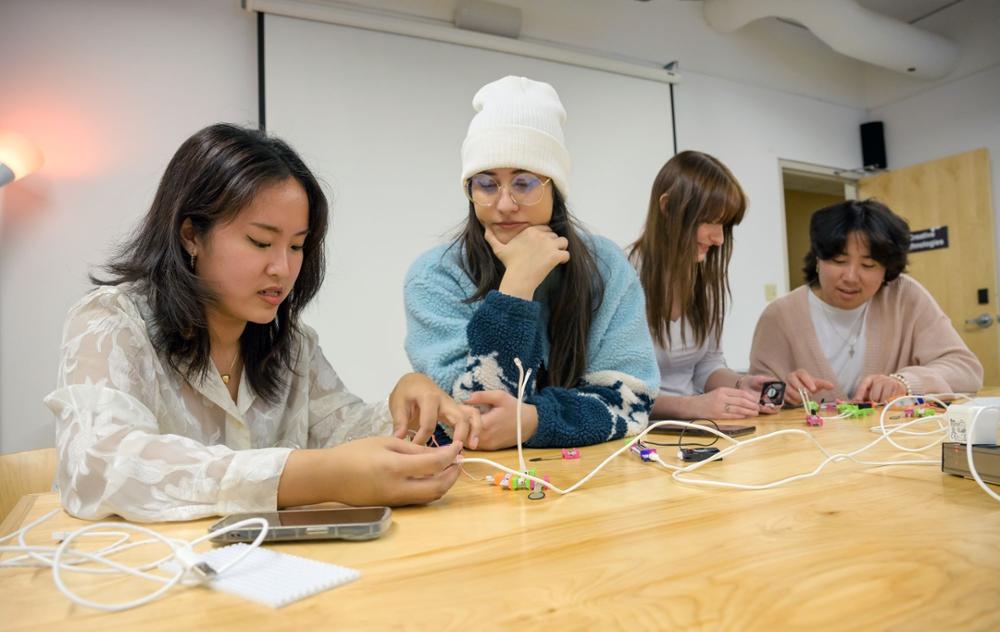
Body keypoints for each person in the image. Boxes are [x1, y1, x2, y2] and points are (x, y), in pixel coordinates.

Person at [44, 123, 481, 523]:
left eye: (296, 246)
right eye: (260, 242)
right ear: (191, 235)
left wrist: (401, 407)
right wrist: (311, 476)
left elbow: (340, 429)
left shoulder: (291, 344)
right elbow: (99, 465)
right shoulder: (111, 322)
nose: (282, 269)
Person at [404, 75, 658, 450]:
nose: (504, 204)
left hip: (591, 478)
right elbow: (475, 417)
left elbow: (632, 404)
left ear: (555, 188)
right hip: (474, 487)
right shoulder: (435, 277)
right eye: (486, 184)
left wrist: (537, 420)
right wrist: (515, 290)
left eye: (524, 183)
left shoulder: (605, 267)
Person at [749, 199, 983, 404]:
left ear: (887, 270)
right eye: (839, 261)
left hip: (894, 446)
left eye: (868, 265)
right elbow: (756, 395)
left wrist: (906, 382)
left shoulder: (905, 297)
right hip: (810, 450)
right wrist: (781, 393)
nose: (851, 277)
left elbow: (967, 371)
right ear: (818, 259)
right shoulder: (779, 316)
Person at [628, 151, 778, 421]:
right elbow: (612, 390)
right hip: (634, 434)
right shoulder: (623, 278)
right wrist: (690, 406)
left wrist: (740, 385)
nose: (719, 238)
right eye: (709, 220)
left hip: (696, 427)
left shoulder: (705, 284)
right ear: (667, 207)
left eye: (724, 224)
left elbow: (707, 366)